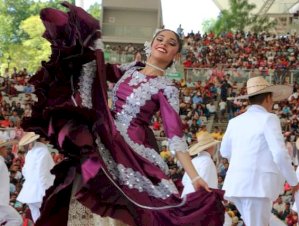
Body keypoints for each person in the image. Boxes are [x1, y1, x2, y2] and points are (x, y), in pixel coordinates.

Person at [22, 3, 224, 226]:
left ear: (175, 56)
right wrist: (82, 42)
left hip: (131, 150)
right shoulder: (130, 69)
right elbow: (98, 68)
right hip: (105, 132)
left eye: (171, 43)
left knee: (128, 211)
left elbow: (175, 135)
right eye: (160, 39)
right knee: (86, 197)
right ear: (151, 45)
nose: (164, 44)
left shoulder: (167, 88)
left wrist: (194, 177)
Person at [220, 76, 299, 226]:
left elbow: (224, 152)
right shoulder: (269, 118)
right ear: (268, 98)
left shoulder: (235, 121)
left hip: (237, 183)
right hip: (257, 185)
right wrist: (293, 181)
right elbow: (279, 154)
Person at [16, 132, 55, 223]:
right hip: (40, 192)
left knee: (37, 218)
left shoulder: (30, 153)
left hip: (30, 192)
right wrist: (46, 192)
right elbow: (43, 174)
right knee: (49, 217)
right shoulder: (43, 152)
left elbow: (25, 171)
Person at [0, 140, 23, 226]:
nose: (7, 150)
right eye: (5, 148)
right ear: (1, 149)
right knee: (16, 220)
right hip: (1, 202)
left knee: (16, 219)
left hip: (2, 202)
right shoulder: (0, 163)